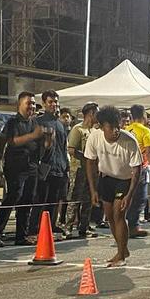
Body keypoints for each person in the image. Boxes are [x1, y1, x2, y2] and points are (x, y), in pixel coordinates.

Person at [84, 105, 143, 267]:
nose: (116, 130)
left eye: (118, 126)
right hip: (106, 178)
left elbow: (137, 169)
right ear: (101, 127)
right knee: (110, 216)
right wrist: (93, 190)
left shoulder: (129, 141)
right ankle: (123, 249)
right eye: (111, 127)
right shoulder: (94, 137)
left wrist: (129, 195)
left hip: (125, 180)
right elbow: (90, 163)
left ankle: (121, 255)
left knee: (119, 215)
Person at [0, 91, 44, 247]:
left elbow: (40, 145)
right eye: (29, 103)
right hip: (16, 166)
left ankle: (21, 236)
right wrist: (33, 135)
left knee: (27, 200)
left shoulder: (35, 123)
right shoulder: (13, 122)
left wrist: (47, 139)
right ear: (20, 105)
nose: (32, 106)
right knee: (13, 197)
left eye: (33, 103)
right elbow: (12, 141)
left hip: (32, 166)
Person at [34, 90, 70, 237]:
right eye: (50, 102)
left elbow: (64, 147)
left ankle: (50, 227)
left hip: (59, 168)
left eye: (55, 101)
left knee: (54, 201)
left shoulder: (60, 124)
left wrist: (66, 166)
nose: (53, 104)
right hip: (44, 168)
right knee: (40, 200)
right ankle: (35, 228)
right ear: (44, 103)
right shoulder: (38, 122)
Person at [124, 104, 150, 237]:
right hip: (140, 168)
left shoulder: (126, 130)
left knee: (129, 197)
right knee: (140, 198)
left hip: (126, 168)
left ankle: (127, 224)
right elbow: (149, 152)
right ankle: (133, 226)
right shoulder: (145, 131)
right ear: (143, 115)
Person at [65, 102, 99, 239]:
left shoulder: (95, 131)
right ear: (90, 113)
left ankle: (84, 227)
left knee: (88, 199)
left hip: (91, 171)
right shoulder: (77, 129)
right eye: (96, 113)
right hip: (78, 169)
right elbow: (71, 150)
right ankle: (68, 227)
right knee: (74, 199)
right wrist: (86, 157)